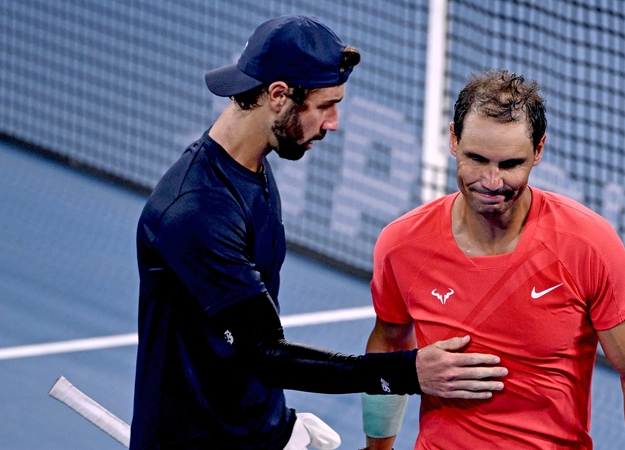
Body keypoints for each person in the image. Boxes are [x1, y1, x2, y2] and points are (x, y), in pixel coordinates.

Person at [130, 15, 507, 450]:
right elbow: (265, 354)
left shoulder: (251, 171)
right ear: (278, 95)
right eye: (326, 105)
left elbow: (247, 348)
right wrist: (408, 372)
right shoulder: (197, 212)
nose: (334, 123)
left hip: (255, 432)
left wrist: (279, 425)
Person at [362, 69, 625, 449]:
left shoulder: (587, 245)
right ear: (453, 140)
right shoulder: (402, 245)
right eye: (476, 159)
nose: (491, 182)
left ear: (538, 151)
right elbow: (388, 349)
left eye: (510, 164)